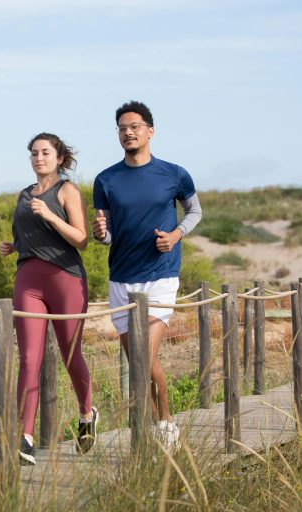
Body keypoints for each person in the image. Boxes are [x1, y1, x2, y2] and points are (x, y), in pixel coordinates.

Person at [92, 100, 202, 450]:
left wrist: (175, 235)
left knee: (141, 358)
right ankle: (161, 424)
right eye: (122, 128)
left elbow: (194, 211)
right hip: (121, 279)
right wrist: (100, 234)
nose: (128, 132)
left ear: (150, 130)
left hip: (160, 275)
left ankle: (162, 427)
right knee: (140, 360)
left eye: (134, 126)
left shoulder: (174, 173)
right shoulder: (105, 180)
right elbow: (108, 233)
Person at [0, 132, 98, 466]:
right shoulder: (24, 195)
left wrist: (51, 216)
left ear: (58, 158)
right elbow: (28, 234)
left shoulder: (67, 191)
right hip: (28, 278)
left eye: (45, 152)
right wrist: (13, 246)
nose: (38, 158)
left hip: (65, 278)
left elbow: (82, 239)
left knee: (71, 354)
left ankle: (86, 414)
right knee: (29, 358)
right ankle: (23, 438)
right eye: (33, 153)